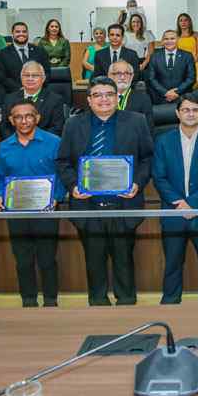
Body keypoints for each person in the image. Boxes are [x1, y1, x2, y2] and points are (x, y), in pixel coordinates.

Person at [56, 76, 154, 306]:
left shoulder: (136, 121)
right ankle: (98, 307)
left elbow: (148, 158)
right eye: (97, 95)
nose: (104, 99)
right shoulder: (73, 124)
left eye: (109, 94)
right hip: (88, 206)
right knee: (94, 262)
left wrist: (138, 183)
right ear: (88, 100)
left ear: (117, 97)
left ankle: (127, 305)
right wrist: (73, 186)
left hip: (123, 204)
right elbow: (62, 162)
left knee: (124, 261)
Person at [153, 94, 198, 304]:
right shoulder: (163, 141)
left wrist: (192, 203)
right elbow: (159, 176)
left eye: (195, 110)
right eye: (186, 110)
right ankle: (170, 304)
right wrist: (179, 203)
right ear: (177, 113)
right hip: (173, 213)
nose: (190, 114)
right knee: (172, 264)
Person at [0, 99, 65, 308]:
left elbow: (62, 174)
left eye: (29, 116)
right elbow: (0, 176)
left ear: (37, 118)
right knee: (23, 260)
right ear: (11, 120)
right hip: (16, 212)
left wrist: (56, 198)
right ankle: (28, 301)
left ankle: (51, 301)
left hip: (46, 211)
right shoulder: (5, 146)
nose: (24, 121)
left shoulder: (54, 142)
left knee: (47, 259)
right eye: (18, 117)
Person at [0, 61, 64, 140]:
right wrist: (18, 141)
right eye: (26, 75)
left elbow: (57, 128)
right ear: (21, 78)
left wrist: (34, 141)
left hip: (43, 146)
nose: (30, 78)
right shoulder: (9, 99)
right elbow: (4, 127)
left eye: (35, 75)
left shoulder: (55, 100)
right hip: (16, 146)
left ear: (43, 78)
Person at [0, 22, 50, 93]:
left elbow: (47, 73)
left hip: (38, 93)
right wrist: (21, 89)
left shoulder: (40, 51)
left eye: (24, 31)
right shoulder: (2, 54)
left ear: (27, 33)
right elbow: (2, 77)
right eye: (17, 32)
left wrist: (35, 87)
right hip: (13, 94)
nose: (21, 34)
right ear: (12, 34)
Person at [147, 29, 196, 104]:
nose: (169, 41)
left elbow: (191, 78)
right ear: (162, 41)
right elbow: (151, 78)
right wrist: (165, 92)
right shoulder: (154, 56)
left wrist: (176, 92)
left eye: (172, 38)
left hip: (182, 97)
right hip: (160, 98)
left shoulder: (187, 56)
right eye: (166, 39)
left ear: (178, 40)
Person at [109, 59, 154, 135]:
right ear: (110, 76)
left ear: (132, 76)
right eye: (118, 73)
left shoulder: (143, 98)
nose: (122, 77)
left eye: (127, 73)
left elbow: (147, 130)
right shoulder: (102, 98)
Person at [176, 12, 198, 82]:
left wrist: (190, 63)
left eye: (186, 20)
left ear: (189, 22)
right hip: (179, 63)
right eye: (181, 20)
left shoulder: (196, 35)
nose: (183, 22)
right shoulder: (175, 36)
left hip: (194, 62)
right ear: (178, 23)